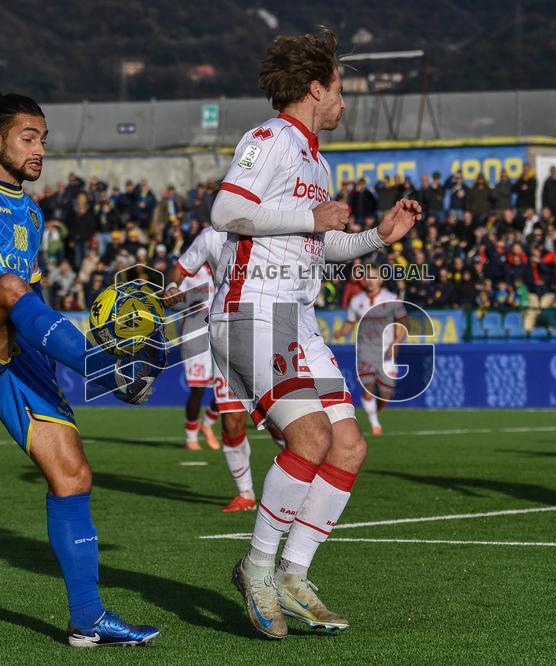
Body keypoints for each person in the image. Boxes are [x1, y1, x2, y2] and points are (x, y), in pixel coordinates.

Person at [0, 89, 162, 647]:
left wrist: (52, 363)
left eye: (43, 138)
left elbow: (32, 302)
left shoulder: (32, 211)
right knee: (6, 288)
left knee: (72, 474)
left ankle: (86, 620)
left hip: (13, 352)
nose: (40, 148)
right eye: (29, 137)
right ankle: (106, 368)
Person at [207, 27, 420, 639]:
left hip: (297, 317)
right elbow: (226, 212)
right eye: (340, 92)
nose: (344, 105)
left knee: (348, 445)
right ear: (314, 88)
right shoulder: (267, 139)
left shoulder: (318, 161)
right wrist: (308, 215)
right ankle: (257, 569)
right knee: (310, 437)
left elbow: (321, 246)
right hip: (252, 311)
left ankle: (295, 573)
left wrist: (379, 236)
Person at [164, 224, 287, 512]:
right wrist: (172, 287)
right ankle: (245, 494)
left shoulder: (271, 229)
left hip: (266, 329)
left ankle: (304, 477)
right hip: (225, 333)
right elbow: (181, 268)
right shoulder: (211, 236)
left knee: (279, 418)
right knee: (230, 418)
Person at [332, 265, 408, 435]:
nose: (370, 281)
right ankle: (375, 425)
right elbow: (350, 324)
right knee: (367, 387)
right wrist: (340, 332)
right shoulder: (356, 301)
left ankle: (378, 408)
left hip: (386, 351)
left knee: (386, 393)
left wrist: (396, 342)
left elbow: (404, 324)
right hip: (365, 350)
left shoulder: (391, 299)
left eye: (374, 277)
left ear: (381, 280)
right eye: (367, 277)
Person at [168, 250, 221, 452]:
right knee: (198, 389)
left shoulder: (221, 267)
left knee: (232, 386)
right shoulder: (187, 273)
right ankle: (191, 436)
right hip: (195, 334)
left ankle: (206, 424)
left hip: (220, 334)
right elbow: (171, 300)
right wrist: (190, 301)